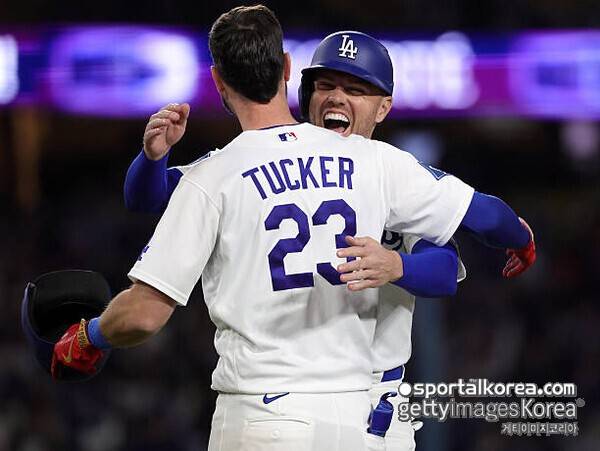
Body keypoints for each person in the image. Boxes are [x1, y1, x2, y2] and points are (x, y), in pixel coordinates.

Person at [52, 5, 535, 450]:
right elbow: (152, 196)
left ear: (383, 107)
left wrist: (397, 265)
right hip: (341, 405)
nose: (337, 97)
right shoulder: (377, 165)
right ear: (292, 76)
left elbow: (446, 269)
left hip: (338, 408)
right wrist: (152, 158)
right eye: (326, 84)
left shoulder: (375, 168)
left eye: (356, 89)